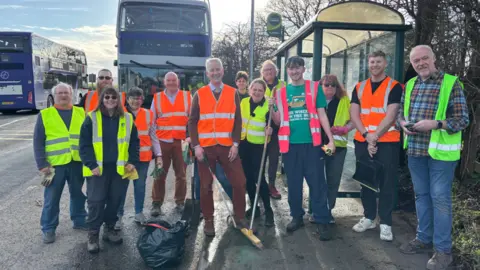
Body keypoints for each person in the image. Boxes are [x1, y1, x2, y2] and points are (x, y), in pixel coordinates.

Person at [398, 45, 469, 270]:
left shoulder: (451, 83)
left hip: (441, 155)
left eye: (424, 58)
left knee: (440, 199)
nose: (420, 63)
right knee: (421, 196)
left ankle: (443, 250)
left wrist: (436, 124)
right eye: (416, 61)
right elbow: (401, 113)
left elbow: (462, 119)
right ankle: (423, 238)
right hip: (416, 151)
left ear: (433, 58)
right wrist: (403, 125)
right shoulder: (410, 84)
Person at [271, 56, 335, 241]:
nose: (294, 71)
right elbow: (277, 120)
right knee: (294, 184)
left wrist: (329, 139)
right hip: (290, 145)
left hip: (312, 145)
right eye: (291, 69)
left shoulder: (315, 88)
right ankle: (296, 216)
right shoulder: (281, 92)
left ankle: (322, 220)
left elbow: (322, 115)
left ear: (303, 69)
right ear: (287, 71)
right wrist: (272, 108)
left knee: (317, 184)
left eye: (297, 68)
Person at [188, 57, 250, 236]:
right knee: (206, 186)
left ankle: (239, 217)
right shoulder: (199, 94)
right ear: (207, 73)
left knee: (240, 182)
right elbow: (192, 122)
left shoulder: (233, 93)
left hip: (227, 147)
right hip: (205, 149)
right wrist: (196, 146)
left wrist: (236, 144)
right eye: (211, 70)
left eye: (218, 69)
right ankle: (208, 220)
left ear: (222, 71)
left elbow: (238, 120)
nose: (215, 73)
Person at [349, 50, 403, 241]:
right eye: (372, 62)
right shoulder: (360, 87)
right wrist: (366, 135)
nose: (374, 65)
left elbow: (391, 114)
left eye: (378, 62)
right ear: (368, 64)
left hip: (387, 142)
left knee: (387, 183)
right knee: (366, 181)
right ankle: (369, 216)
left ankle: (386, 222)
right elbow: (354, 113)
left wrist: (374, 137)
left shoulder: (395, 86)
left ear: (385, 63)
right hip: (363, 140)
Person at [79, 87, 139, 253]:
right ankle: (93, 234)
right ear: (102, 99)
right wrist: (92, 165)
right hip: (98, 169)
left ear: (118, 100)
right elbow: (83, 145)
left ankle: (109, 228)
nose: (110, 100)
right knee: (96, 202)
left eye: (114, 97)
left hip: (119, 169)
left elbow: (134, 142)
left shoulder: (127, 118)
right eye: (107, 97)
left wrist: (132, 161)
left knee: (115, 201)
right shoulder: (91, 117)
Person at [33, 83, 88, 244]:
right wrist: (42, 164)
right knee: (52, 198)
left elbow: (87, 138)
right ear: (54, 96)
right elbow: (38, 141)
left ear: (71, 95)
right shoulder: (45, 115)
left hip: (77, 162)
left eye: (66, 93)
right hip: (53, 166)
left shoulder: (81, 112)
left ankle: (79, 219)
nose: (63, 95)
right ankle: (48, 228)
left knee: (78, 194)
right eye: (60, 93)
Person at [308, 74, 353, 224]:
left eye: (333, 85)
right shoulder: (313, 101)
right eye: (326, 85)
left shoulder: (344, 100)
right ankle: (315, 209)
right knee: (318, 179)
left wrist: (345, 128)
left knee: (333, 179)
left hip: (336, 149)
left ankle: (328, 211)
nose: (330, 88)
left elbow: (354, 120)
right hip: (319, 146)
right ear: (320, 86)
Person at [116, 87, 163, 229]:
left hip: (143, 158)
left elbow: (153, 136)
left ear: (143, 100)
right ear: (127, 99)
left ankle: (139, 212)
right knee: (121, 188)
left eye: (139, 98)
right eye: (133, 98)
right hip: (124, 158)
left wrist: (159, 155)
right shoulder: (119, 113)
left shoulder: (149, 114)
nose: (136, 101)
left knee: (140, 186)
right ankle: (118, 216)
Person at [150, 72, 190, 216]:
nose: (172, 82)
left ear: (178, 82)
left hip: (182, 142)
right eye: (169, 80)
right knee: (159, 173)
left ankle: (180, 202)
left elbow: (193, 119)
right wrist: (154, 143)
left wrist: (190, 137)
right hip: (162, 142)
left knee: (182, 174)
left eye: (174, 80)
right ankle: (156, 203)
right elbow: (152, 121)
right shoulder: (157, 98)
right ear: (164, 82)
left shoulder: (187, 96)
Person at [239, 78, 275, 227]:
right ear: (250, 89)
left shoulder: (269, 106)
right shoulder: (244, 102)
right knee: (247, 178)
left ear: (264, 92)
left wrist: (270, 129)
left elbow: (272, 124)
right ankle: (254, 207)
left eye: (261, 90)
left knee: (259, 178)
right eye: (255, 89)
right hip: (244, 144)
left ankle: (269, 211)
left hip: (259, 146)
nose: (257, 92)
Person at [261, 60, 285, 200]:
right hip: (260, 128)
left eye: (271, 69)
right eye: (265, 70)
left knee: (274, 157)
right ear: (262, 73)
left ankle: (271, 185)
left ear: (276, 71)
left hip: (277, 128)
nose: (268, 72)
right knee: (261, 158)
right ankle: (260, 184)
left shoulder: (283, 85)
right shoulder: (259, 85)